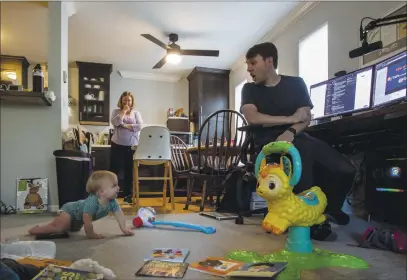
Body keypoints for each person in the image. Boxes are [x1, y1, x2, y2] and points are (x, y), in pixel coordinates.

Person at [240, 42, 356, 227]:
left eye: (253, 63)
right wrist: (289, 119)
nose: (249, 68)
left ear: (269, 61)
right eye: (248, 64)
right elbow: (253, 117)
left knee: (345, 169)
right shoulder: (250, 89)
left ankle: (331, 210)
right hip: (268, 145)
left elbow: (305, 117)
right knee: (302, 152)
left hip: (297, 136)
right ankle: (304, 219)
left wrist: (291, 131)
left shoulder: (296, 83)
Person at [28, 170, 134, 239]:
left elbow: (119, 214)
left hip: (78, 220)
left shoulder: (112, 202)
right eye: (114, 186)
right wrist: (91, 234)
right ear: (101, 192)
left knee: (70, 230)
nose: (118, 188)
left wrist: (124, 228)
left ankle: (56, 226)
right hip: (70, 211)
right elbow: (87, 218)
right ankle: (35, 230)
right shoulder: (93, 201)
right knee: (59, 227)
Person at [110, 91, 143, 204]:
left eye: (129, 100)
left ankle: (128, 196)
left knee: (129, 172)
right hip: (117, 145)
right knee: (114, 171)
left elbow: (139, 126)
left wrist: (125, 125)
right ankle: (112, 195)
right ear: (121, 101)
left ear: (132, 101)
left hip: (131, 146)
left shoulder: (136, 113)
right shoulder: (116, 111)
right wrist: (123, 112)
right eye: (125, 100)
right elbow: (115, 122)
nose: (127, 102)